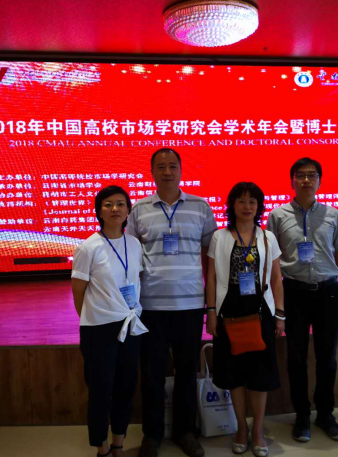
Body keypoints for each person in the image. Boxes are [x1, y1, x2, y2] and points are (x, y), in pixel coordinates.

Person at [126, 148, 217, 457]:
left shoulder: (201, 207)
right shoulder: (139, 210)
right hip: (150, 306)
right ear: (152, 172)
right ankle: (152, 435)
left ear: (181, 170)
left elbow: (210, 259)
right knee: (151, 372)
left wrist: (210, 303)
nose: (167, 172)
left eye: (172, 166)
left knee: (187, 371)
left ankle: (184, 432)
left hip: (190, 305)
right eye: (161, 167)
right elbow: (130, 258)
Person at [266, 157, 338, 443]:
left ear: (319, 181)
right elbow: (272, 264)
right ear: (292, 180)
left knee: (327, 358)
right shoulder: (277, 216)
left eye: (311, 175)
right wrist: (276, 306)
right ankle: (302, 416)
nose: (306, 180)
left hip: (328, 293)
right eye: (300, 175)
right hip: (294, 293)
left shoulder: (333, 214)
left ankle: (326, 415)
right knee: (296, 358)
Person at [206, 182, 285, 457]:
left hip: (261, 310)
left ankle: (258, 430)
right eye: (241, 201)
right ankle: (241, 428)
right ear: (232, 205)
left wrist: (280, 315)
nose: (247, 206)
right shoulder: (219, 236)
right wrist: (211, 312)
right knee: (234, 375)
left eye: (252, 201)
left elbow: (276, 278)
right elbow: (212, 277)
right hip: (228, 310)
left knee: (260, 375)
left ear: (259, 206)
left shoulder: (268, 237)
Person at [72, 185, 148, 457]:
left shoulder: (134, 244)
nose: (115, 209)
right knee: (101, 391)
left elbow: (135, 280)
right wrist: (94, 317)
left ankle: (118, 443)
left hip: (130, 326)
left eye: (120, 203)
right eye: (108, 204)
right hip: (99, 330)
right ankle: (101, 447)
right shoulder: (88, 247)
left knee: (126, 388)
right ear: (99, 211)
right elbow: (78, 291)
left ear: (128, 210)